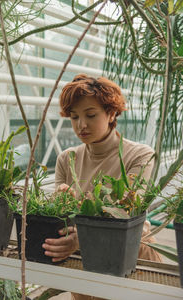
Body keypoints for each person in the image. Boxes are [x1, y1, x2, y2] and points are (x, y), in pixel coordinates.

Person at [42, 74, 162, 300]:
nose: (81, 125)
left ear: (112, 113)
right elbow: (62, 217)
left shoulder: (140, 155)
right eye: (74, 117)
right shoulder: (66, 159)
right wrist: (61, 204)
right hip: (84, 259)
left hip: (132, 258)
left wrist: (81, 238)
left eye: (90, 115)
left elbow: (127, 213)